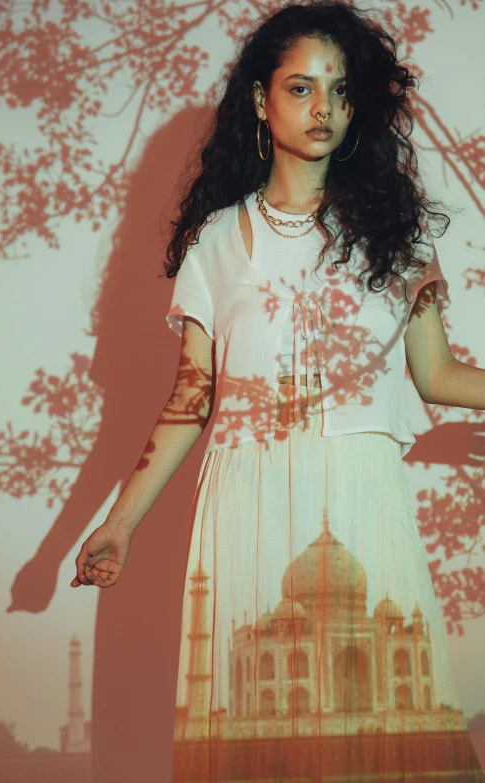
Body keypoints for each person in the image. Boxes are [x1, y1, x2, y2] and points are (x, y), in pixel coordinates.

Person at [71, 1, 485, 780]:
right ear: (261, 101)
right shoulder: (217, 242)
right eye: (300, 87)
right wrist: (118, 525)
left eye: (339, 90)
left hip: (363, 491)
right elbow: (190, 399)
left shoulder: (396, 238)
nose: (322, 107)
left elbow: (438, 376)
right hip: (249, 501)